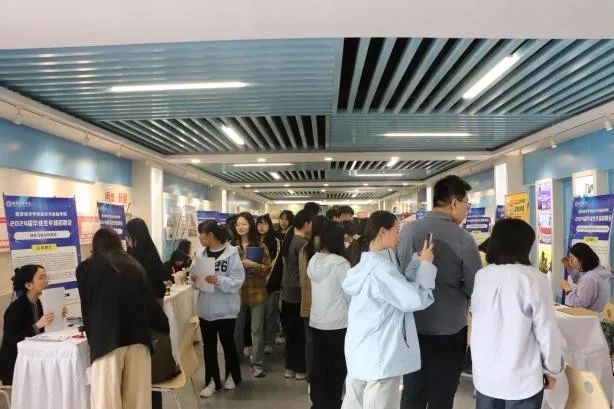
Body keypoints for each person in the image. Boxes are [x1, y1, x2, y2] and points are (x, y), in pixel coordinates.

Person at [397, 175, 482, 409]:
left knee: (412, 391)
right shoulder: (463, 238)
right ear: (454, 202)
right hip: (449, 329)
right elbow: (475, 286)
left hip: (413, 325)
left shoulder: (408, 230)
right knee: (442, 394)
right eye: (466, 204)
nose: (466, 209)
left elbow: (399, 275)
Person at [342, 211, 436, 409]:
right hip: (381, 354)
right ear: (382, 232)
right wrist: (427, 266)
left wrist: (417, 263)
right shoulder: (381, 269)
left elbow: (399, 286)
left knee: (355, 402)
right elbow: (415, 299)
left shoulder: (368, 264)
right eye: (396, 230)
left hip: (361, 350)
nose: (398, 236)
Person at [471, 219, 564, 408]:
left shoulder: (482, 276)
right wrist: (552, 369)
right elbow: (546, 331)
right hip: (522, 378)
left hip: (485, 375)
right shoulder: (534, 279)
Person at [77, 228, 170, 409]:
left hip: (107, 342)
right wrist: (163, 327)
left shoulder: (85, 268)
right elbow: (150, 303)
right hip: (139, 339)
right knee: (138, 401)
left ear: (95, 246)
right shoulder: (135, 265)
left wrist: (93, 339)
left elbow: (87, 308)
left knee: (107, 401)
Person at [193, 221, 245, 398]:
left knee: (228, 344)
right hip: (206, 309)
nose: (198, 237)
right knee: (209, 348)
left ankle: (233, 375)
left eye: (200, 234)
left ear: (210, 235)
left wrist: (218, 280)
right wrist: (194, 279)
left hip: (226, 309)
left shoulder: (231, 254)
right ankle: (212, 381)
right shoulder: (201, 253)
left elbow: (237, 281)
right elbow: (194, 275)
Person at [308, 221, 351, 409]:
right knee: (336, 366)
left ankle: (318, 402)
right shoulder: (341, 264)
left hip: (317, 320)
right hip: (338, 322)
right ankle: (333, 403)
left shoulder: (314, 260)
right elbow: (350, 293)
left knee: (319, 364)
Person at [0, 265, 56, 385]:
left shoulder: (37, 302)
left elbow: (40, 332)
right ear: (29, 285)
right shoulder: (15, 308)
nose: (46, 281)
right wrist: (37, 325)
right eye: (41, 278)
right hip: (15, 364)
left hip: (32, 358)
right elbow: (12, 340)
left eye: (46, 277)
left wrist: (55, 317)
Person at [232, 212, 272, 378]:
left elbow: (267, 269)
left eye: (244, 224)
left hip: (257, 292)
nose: (240, 227)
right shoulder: (231, 247)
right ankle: (235, 359)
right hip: (237, 293)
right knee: (237, 329)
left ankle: (257, 364)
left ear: (250, 225)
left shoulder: (261, 247)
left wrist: (253, 265)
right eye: (238, 224)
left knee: (257, 330)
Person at [281, 209, 313, 380]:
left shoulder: (289, 238)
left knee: (291, 334)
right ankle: (300, 369)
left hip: (287, 292)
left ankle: (289, 367)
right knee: (301, 334)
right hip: (299, 293)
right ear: (306, 223)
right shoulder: (302, 244)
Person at [299, 215, 327, 383]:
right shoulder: (326, 251)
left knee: (310, 341)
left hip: (309, 302)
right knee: (322, 342)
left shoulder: (306, 248)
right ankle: (320, 375)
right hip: (323, 303)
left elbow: (303, 280)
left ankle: (312, 375)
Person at [561, 242, 612, 312]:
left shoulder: (590, 277)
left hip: (589, 317)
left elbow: (579, 304)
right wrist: (570, 268)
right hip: (598, 316)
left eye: (572, 258)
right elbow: (581, 280)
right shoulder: (599, 271)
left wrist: (568, 290)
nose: (570, 261)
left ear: (581, 260)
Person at [256, 214, 282, 354]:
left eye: (265, 223)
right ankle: (258, 343)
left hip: (271, 284)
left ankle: (269, 342)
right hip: (255, 284)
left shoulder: (276, 241)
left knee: (270, 314)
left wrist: (275, 283)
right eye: (259, 223)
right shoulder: (253, 241)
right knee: (257, 317)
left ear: (270, 225)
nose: (262, 226)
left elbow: (278, 264)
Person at [126, 218, 167, 299]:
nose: (127, 238)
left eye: (128, 234)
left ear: (134, 235)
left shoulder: (138, 254)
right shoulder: (151, 250)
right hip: (156, 295)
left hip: (147, 298)